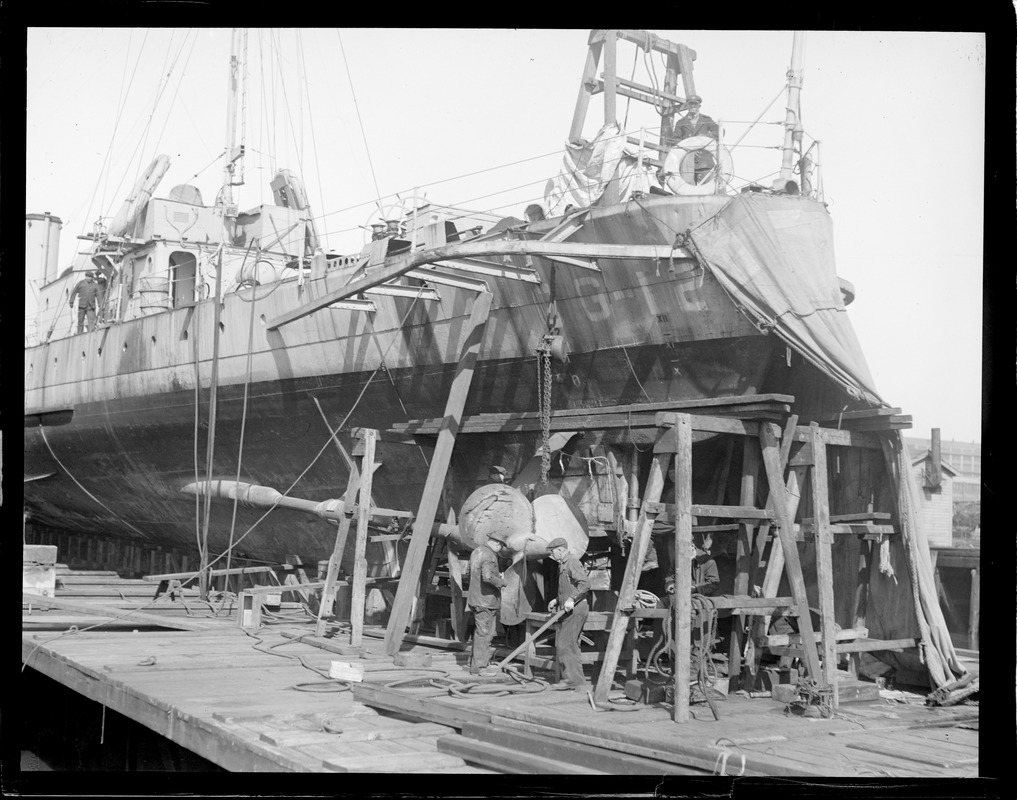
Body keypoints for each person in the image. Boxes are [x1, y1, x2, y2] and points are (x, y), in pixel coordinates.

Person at [545, 537, 591, 692]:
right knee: (571, 645)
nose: (552, 555)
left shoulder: (572, 562)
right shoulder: (563, 565)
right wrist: (557, 600)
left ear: (560, 549)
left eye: (552, 552)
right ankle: (577, 682)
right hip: (570, 608)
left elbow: (585, 584)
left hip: (576, 609)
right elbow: (569, 587)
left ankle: (571, 680)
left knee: (565, 644)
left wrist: (571, 599)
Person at [466, 532, 509, 675]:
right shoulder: (489, 555)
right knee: (484, 634)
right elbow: (488, 577)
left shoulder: (476, 551)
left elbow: (467, 573)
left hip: (475, 598)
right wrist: (502, 581)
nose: (500, 549)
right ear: (498, 544)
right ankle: (480, 668)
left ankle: (473, 664)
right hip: (486, 601)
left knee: (479, 633)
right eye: (501, 546)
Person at [664, 533, 720, 599]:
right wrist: (670, 585)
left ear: (692, 546)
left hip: (700, 599)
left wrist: (696, 589)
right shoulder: (677, 559)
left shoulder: (707, 561)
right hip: (679, 598)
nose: (682, 554)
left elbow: (714, 584)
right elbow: (670, 577)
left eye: (685, 550)